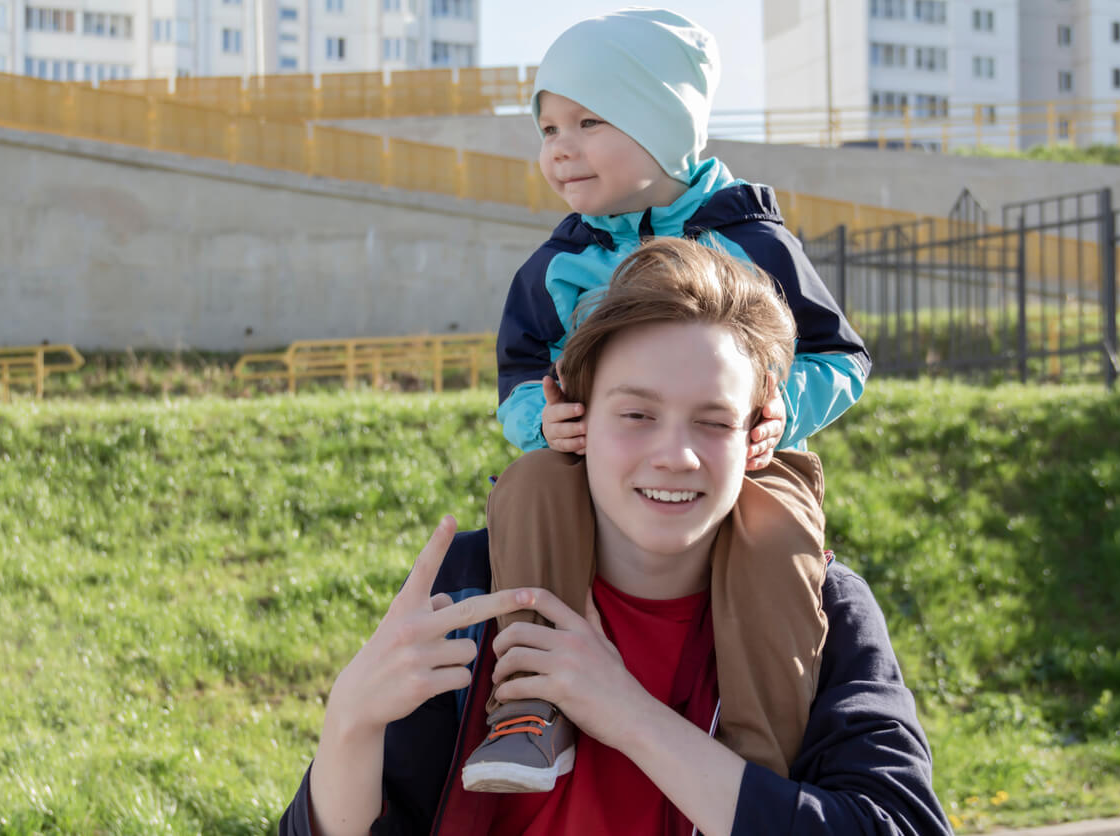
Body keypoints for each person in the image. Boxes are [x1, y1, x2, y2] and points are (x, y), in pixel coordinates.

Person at [279, 238, 948, 836]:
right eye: (636, 413)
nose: (675, 455)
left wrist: (627, 714)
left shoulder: (823, 608)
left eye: (713, 421)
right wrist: (349, 722)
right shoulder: (476, 588)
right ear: (574, 416)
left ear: (755, 435)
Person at [478, 7, 870, 790]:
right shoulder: (558, 265)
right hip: (598, 456)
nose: (560, 148)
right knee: (526, 489)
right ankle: (529, 713)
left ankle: (762, 758)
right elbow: (519, 372)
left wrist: (781, 408)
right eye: (548, 128)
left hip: (742, 457)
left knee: (775, 536)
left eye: (588, 121)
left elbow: (841, 356)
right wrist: (540, 420)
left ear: (663, 121)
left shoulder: (750, 240)